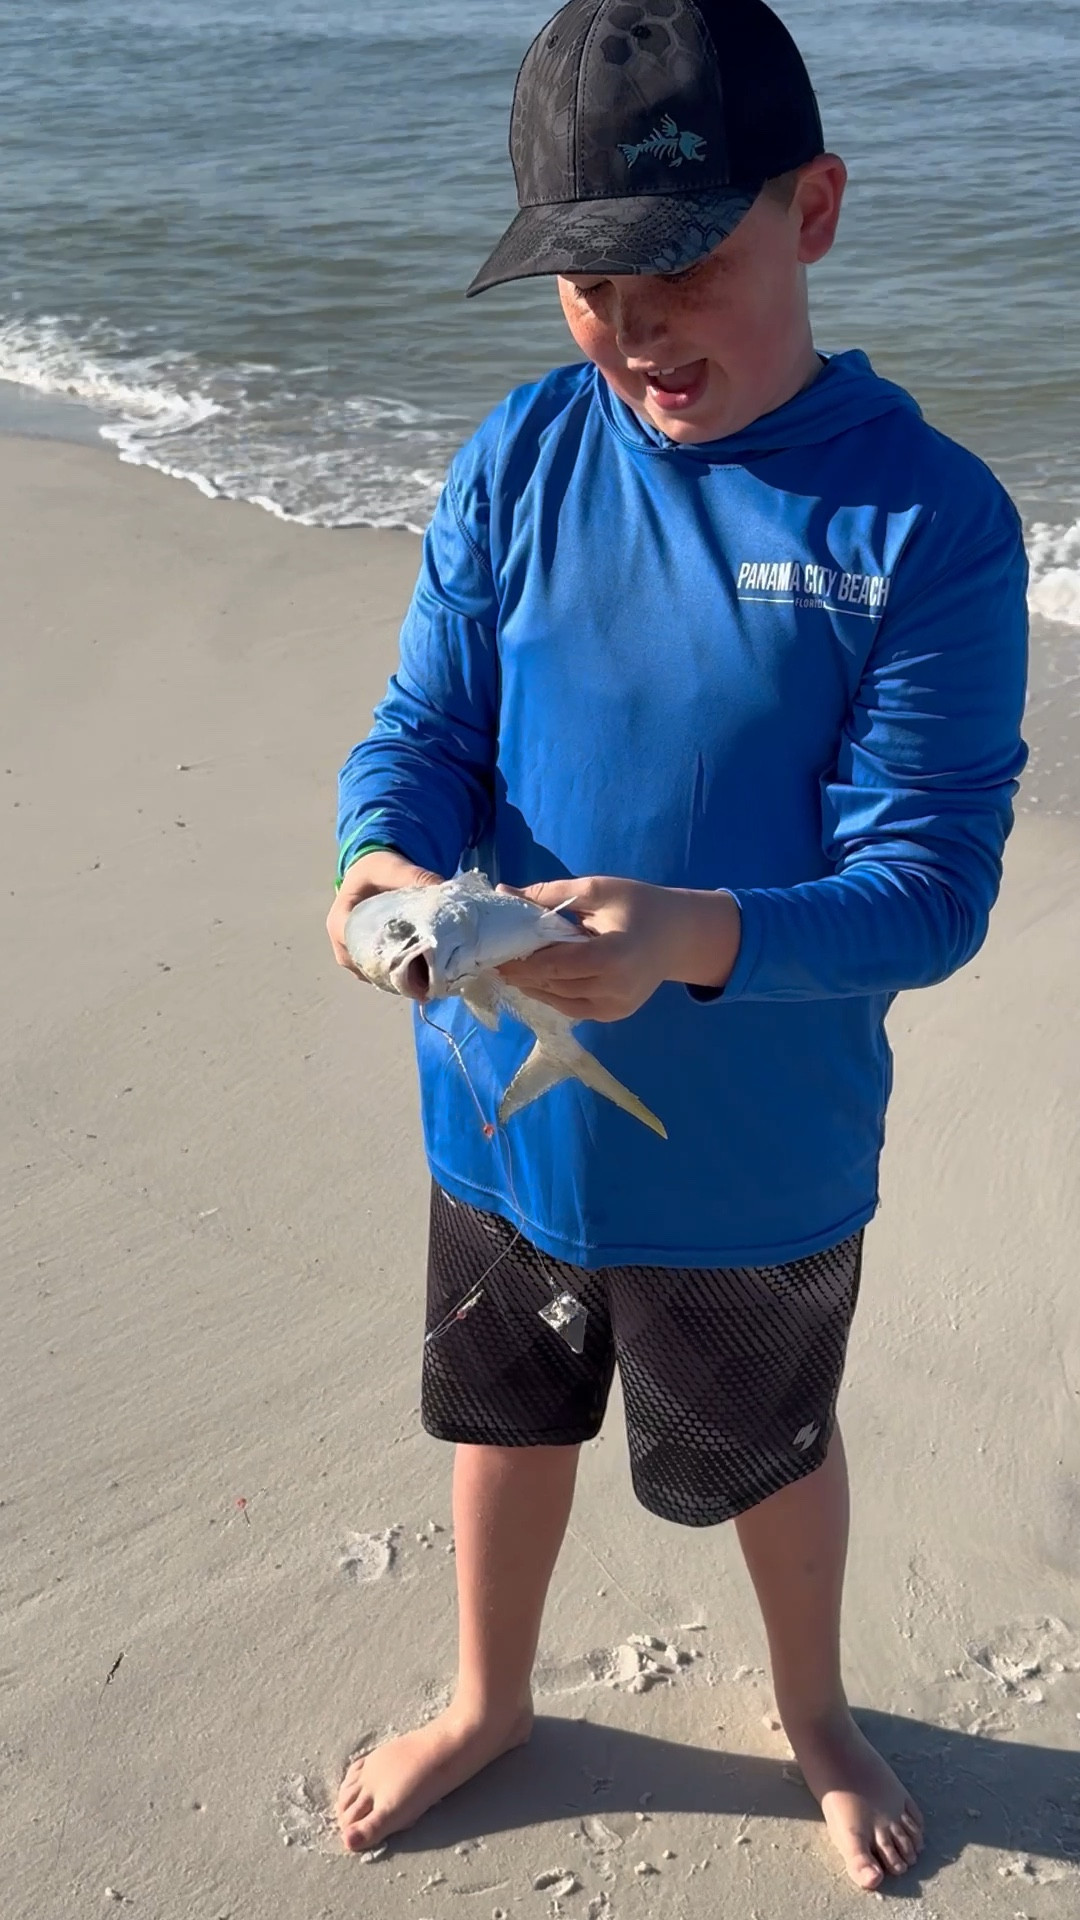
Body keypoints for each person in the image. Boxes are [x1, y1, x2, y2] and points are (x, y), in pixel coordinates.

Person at [325, 0, 1028, 1892]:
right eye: (585, 285)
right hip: (499, 1114)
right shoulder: (520, 458)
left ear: (814, 209)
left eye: (683, 268)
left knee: (765, 1447)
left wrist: (688, 937)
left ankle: (811, 1708)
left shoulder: (930, 523)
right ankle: (489, 1692)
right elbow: (424, 731)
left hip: (753, 1157)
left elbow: (930, 891)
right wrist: (372, 861)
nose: (636, 332)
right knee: (502, 1405)